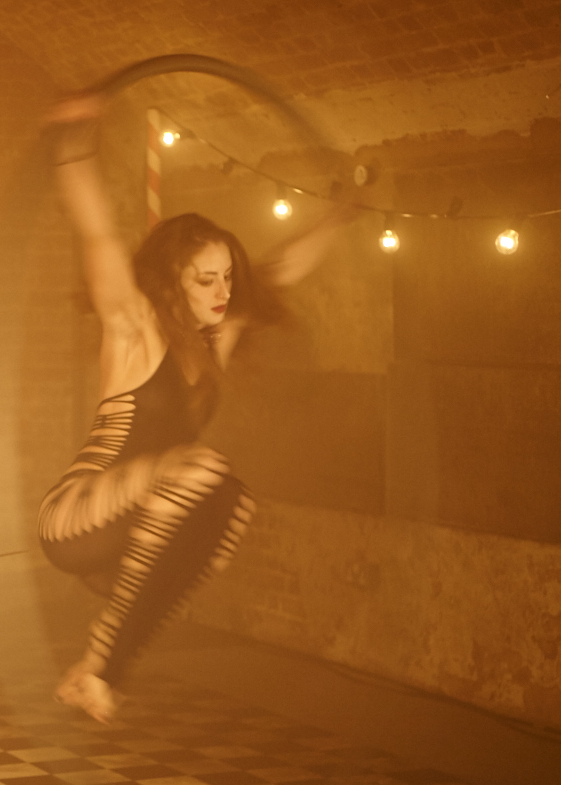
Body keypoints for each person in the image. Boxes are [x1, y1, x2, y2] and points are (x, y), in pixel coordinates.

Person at [40, 95, 344, 723]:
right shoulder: (136, 329)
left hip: (138, 531)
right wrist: (73, 146)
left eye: (226, 276)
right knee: (199, 467)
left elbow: (280, 271)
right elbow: (99, 237)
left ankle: (97, 670)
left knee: (232, 500)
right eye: (206, 279)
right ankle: (104, 658)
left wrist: (345, 212)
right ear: (173, 279)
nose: (222, 291)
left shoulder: (214, 342)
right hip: (77, 516)